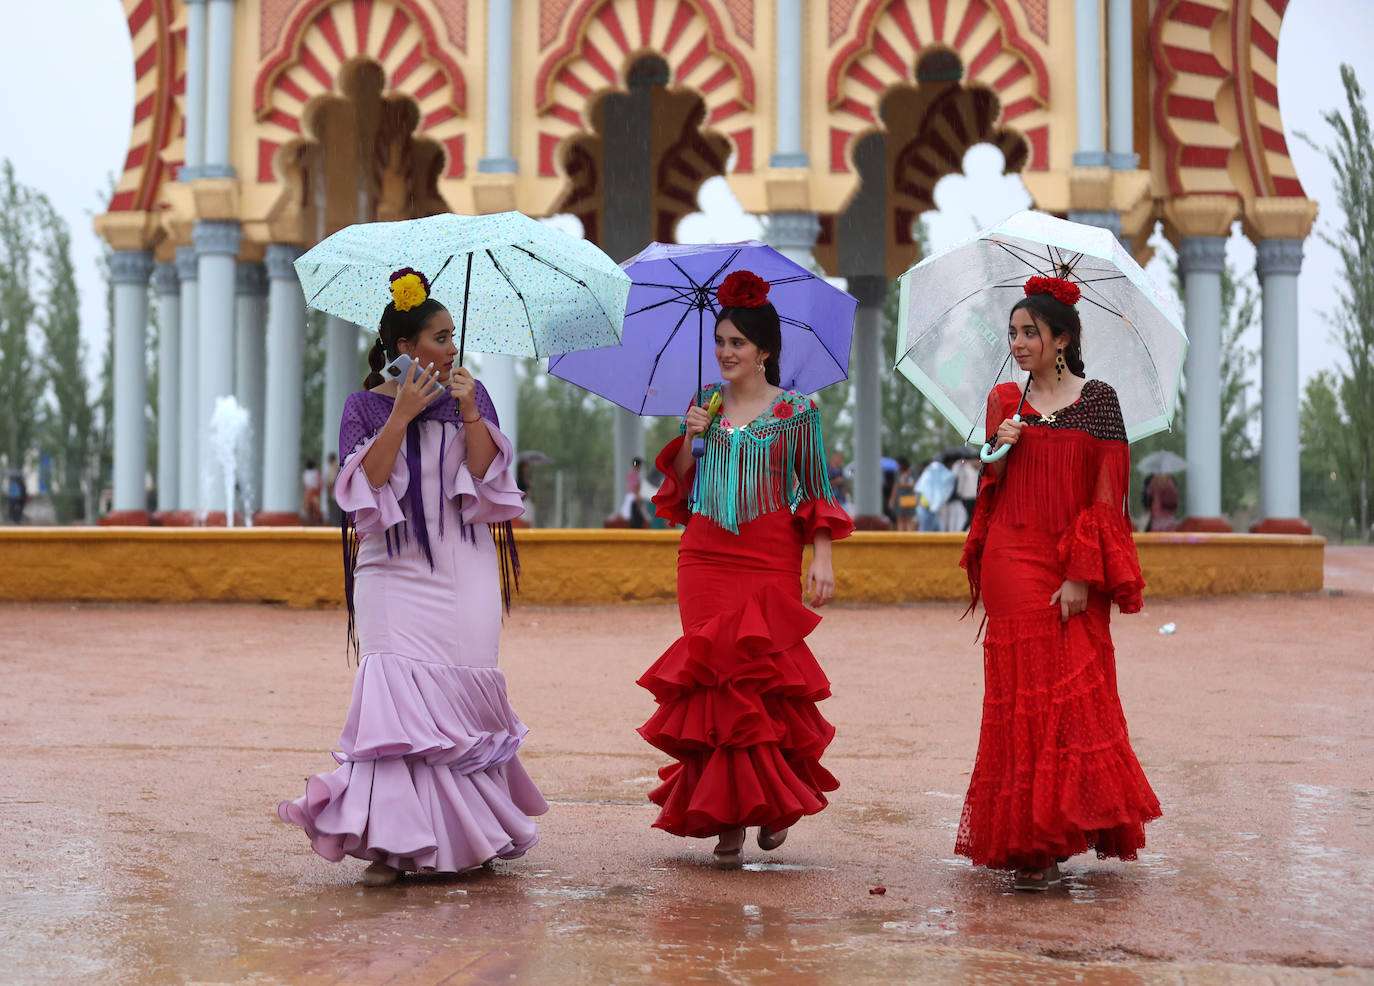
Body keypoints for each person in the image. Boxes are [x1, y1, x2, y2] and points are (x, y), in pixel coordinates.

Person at [278, 266, 545, 886]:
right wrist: (401, 415)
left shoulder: (471, 400)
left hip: (466, 563)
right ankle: (392, 844)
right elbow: (365, 486)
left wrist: (472, 412)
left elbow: (486, 480)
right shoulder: (363, 406)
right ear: (405, 348)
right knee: (395, 699)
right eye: (441, 337)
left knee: (461, 695)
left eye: (454, 336)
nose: (453, 348)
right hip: (391, 571)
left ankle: (467, 838)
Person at [640, 269, 853, 870]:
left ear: (764, 350)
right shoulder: (704, 404)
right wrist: (689, 437)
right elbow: (678, 486)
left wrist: (825, 558)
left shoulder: (796, 411)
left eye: (736, 343)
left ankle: (773, 802)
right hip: (704, 556)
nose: (725, 352)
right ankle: (728, 822)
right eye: (720, 342)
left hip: (769, 557)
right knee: (713, 686)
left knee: (760, 683)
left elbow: (813, 490)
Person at [957, 274, 1159, 892]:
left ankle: (1060, 824)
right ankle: (1030, 843)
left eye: (1030, 332)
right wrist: (998, 446)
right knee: (1024, 690)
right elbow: (988, 485)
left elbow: (1108, 499)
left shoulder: (1100, 401)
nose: (1018, 342)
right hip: (1011, 557)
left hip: (1073, 561)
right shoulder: (1003, 402)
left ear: (1062, 339)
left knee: (1074, 688)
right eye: (1014, 332)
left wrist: (1080, 574)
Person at [914, 458, 954, 532]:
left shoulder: (931, 479)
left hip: (931, 509)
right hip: (926, 508)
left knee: (933, 531)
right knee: (926, 532)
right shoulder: (926, 478)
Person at [888, 457, 917, 531]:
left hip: (910, 498)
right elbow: (895, 486)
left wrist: (905, 485)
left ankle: (909, 537)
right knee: (900, 518)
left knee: (909, 518)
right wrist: (892, 499)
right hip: (900, 498)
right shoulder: (898, 472)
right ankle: (901, 536)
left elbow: (915, 484)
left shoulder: (912, 472)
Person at [953, 456, 980, 531]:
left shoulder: (979, 470)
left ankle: (969, 530)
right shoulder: (964, 468)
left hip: (976, 496)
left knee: (974, 515)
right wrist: (960, 463)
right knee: (971, 515)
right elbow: (955, 472)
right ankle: (963, 530)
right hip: (966, 497)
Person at [301, 458, 323, 525]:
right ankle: (314, 523)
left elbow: (305, 484)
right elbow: (320, 482)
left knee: (311, 509)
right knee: (314, 509)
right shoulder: (316, 472)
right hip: (313, 493)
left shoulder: (306, 473)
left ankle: (312, 523)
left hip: (310, 492)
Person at [323, 453, 340, 526]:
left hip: (333, 494)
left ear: (330, 459)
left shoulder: (334, 467)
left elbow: (331, 481)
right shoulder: (336, 466)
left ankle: (336, 527)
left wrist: (329, 493)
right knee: (336, 512)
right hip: (337, 493)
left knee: (334, 512)